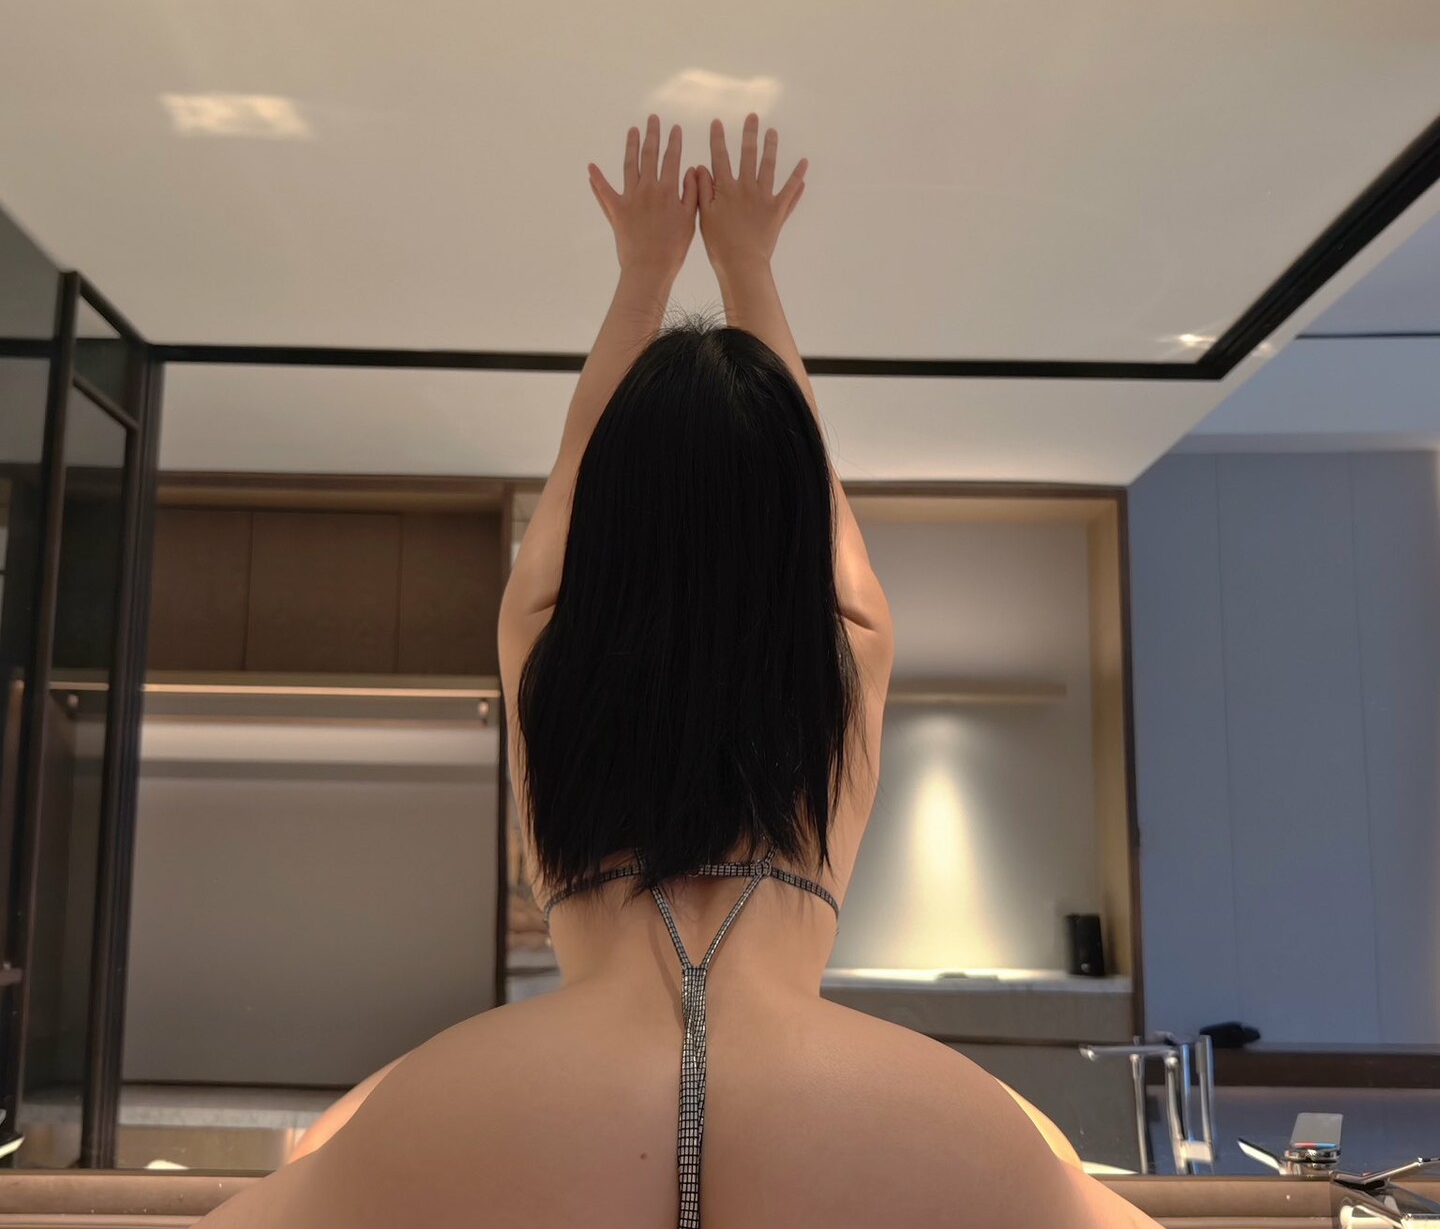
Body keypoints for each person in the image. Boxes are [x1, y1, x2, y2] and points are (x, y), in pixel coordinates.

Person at [210, 115, 1154, 1228]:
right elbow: (817, 540)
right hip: (884, 1113)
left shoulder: (418, 1124)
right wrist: (747, 269)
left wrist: (643, 278)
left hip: (497, 1105)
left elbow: (568, 522)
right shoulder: (972, 1136)